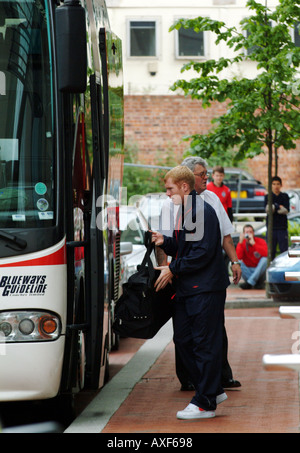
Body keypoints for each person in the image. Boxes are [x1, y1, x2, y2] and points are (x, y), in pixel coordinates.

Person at [151, 165, 230, 419]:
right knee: (185, 340)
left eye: (170, 189)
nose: (167, 194)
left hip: (203, 289)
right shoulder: (189, 210)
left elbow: (202, 253)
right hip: (194, 289)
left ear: (184, 187)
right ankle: (211, 390)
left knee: (202, 344)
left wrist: (172, 268)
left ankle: (205, 401)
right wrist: (167, 242)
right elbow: (189, 247)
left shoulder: (197, 210)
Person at [264, 176, 290, 260]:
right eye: (274, 184)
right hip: (271, 228)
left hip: (282, 228)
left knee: (284, 251)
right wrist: (279, 206)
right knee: (271, 252)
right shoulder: (268, 197)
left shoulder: (285, 196)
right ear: (271, 185)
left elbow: (285, 210)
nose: (276, 186)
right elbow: (268, 210)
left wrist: (275, 207)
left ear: (281, 185)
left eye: (278, 184)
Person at [236, 224, 268, 289]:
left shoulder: (260, 241)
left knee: (265, 259)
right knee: (237, 262)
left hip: (259, 271)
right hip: (248, 271)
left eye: (250, 232)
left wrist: (254, 244)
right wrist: (240, 242)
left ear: (253, 233)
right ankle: (253, 282)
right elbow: (238, 257)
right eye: (247, 232)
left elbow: (266, 254)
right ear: (243, 234)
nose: (249, 234)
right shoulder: (242, 243)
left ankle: (250, 283)